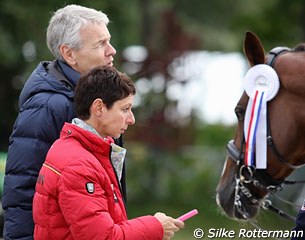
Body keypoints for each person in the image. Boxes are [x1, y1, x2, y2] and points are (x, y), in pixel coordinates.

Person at [2, 4, 118, 240]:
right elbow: (24, 186)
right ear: (69, 54)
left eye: (109, 41)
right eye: (100, 44)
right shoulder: (48, 106)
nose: (112, 51)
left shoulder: (93, 97)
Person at [32, 65, 184, 240]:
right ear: (99, 108)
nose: (132, 119)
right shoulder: (78, 164)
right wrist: (155, 227)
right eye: (125, 109)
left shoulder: (78, 150)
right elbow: (102, 237)